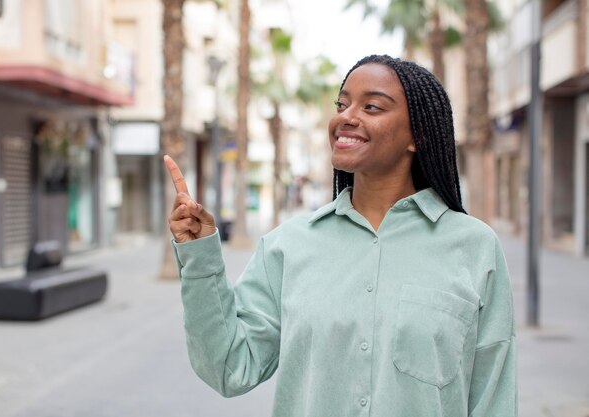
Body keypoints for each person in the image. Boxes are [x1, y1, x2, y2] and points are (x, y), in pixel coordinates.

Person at [165, 54, 517, 417]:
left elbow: (493, 396)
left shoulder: (475, 247)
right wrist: (199, 258)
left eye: (372, 106)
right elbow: (229, 368)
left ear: (418, 135)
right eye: (342, 103)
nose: (346, 117)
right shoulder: (287, 246)